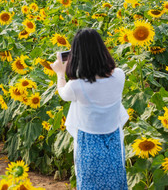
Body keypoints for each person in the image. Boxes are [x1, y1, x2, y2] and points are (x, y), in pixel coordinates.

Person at [50, 28, 129, 189]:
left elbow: (63, 93)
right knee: (115, 183)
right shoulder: (119, 76)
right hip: (113, 140)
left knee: (89, 185)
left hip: (89, 144)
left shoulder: (77, 86)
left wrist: (60, 72)